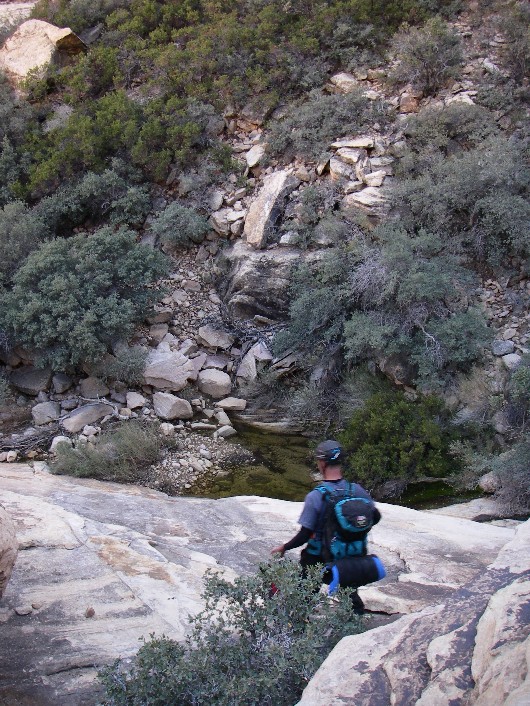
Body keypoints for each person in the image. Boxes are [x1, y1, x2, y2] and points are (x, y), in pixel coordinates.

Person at [271, 439, 381, 613]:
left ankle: (301, 617)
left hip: (320, 559)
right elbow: (375, 517)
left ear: (321, 463)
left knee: (305, 589)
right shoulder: (357, 490)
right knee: (349, 594)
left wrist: (284, 547)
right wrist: (350, 533)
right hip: (350, 558)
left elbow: (305, 534)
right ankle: (355, 620)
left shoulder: (316, 496)